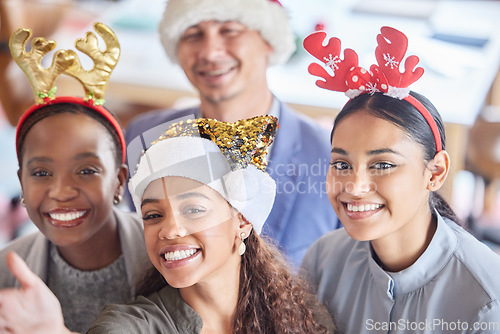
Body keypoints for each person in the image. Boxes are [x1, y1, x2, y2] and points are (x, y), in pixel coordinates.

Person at [300, 26, 500, 333]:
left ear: (435, 173)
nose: (354, 186)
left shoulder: (487, 302)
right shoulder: (323, 261)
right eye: (341, 163)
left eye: (382, 165)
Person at [124, 0, 340, 267]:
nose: (210, 51)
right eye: (193, 34)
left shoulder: (329, 155)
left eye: (230, 30)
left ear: (269, 40)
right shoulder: (144, 137)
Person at [86, 115, 335, 333]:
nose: (171, 230)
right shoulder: (125, 328)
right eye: (153, 215)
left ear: (243, 220)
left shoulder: (305, 317)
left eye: (193, 209)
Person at [0, 23, 151, 332]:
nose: (60, 191)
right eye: (41, 173)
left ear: (120, 182)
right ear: (23, 183)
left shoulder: (165, 258)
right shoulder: (6, 271)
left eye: (86, 171)